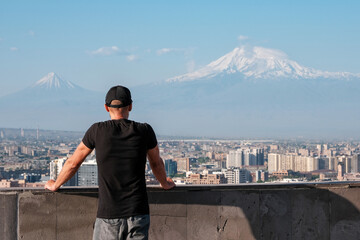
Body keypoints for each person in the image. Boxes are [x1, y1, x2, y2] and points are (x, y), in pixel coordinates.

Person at [45, 85, 175, 240]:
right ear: (131, 106)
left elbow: (74, 162)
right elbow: (156, 163)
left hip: (109, 215)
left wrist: (56, 184)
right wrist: (165, 183)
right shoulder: (144, 130)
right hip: (138, 212)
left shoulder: (97, 130)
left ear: (106, 108)